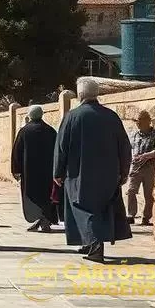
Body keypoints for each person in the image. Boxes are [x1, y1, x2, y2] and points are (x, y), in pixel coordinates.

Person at [54, 78, 132, 262]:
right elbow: (124, 147)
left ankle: (95, 245)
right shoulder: (111, 116)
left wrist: (58, 172)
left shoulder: (72, 117)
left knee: (82, 208)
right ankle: (88, 243)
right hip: (108, 175)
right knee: (103, 208)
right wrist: (124, 171)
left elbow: (61, 147)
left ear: (80, 94)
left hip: (79, 174)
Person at [11, 105, 57, 232]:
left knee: (31, 196)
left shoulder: (24, 131)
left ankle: (39, 219)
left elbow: (16, 152)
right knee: (46, 195)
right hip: (47, 171)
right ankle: (44, 219)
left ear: (29, 115)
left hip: (29, 172)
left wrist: (16, 170)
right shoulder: (50, 131)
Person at [126, 110, 155, 226]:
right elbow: (129, 148)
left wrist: (146, 156)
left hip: (149, 168)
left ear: (148, 121)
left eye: (140, 120)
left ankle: (146, 217)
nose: (138, 123)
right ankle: (131, 215)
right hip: (136, 167)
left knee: (148, 194)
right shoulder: (134, 134)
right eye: (137, 121)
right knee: (131, 190)